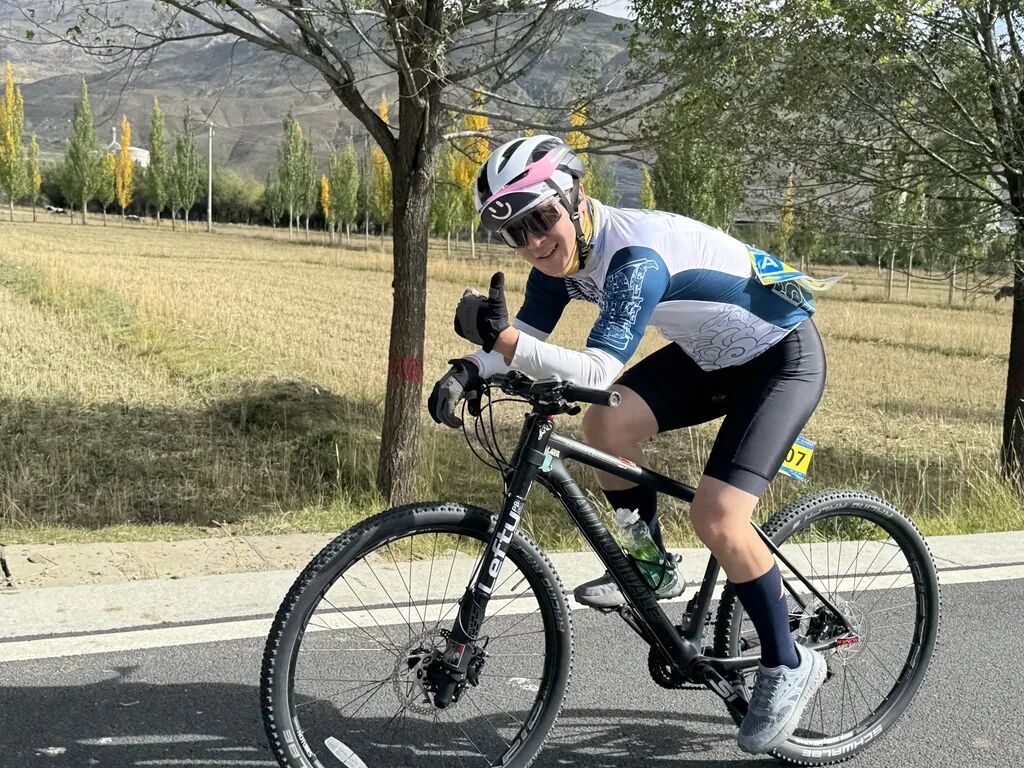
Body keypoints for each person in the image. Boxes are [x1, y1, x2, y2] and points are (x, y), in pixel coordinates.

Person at [427, 134, 828, 754]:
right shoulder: (559, 264)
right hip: (709, 358)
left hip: (780, 359)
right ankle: (651, 566)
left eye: (541, 219)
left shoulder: (634, 257)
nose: (533, 242)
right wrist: (470, 368)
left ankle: (789, 661)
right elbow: (525, 335)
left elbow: (594, 370)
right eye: (514, 233)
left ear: (575, 197)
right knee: (606, 426)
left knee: (718, 516)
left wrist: (503, 345)